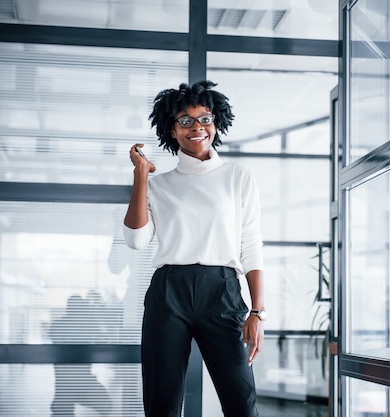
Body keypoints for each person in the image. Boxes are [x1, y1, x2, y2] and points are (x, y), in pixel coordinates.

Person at [123, 80, 266, 417]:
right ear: (172, 130)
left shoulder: (237, 176)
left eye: (205, 119)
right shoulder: (159, 185)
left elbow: (251, 244)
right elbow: (135, 240)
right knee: (163, 403)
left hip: (223, 291)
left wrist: (257, 311)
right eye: (185, 121)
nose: (197, 128)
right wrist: (141, 175)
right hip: (169, 291)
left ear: (216, 123)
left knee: (241, 402)